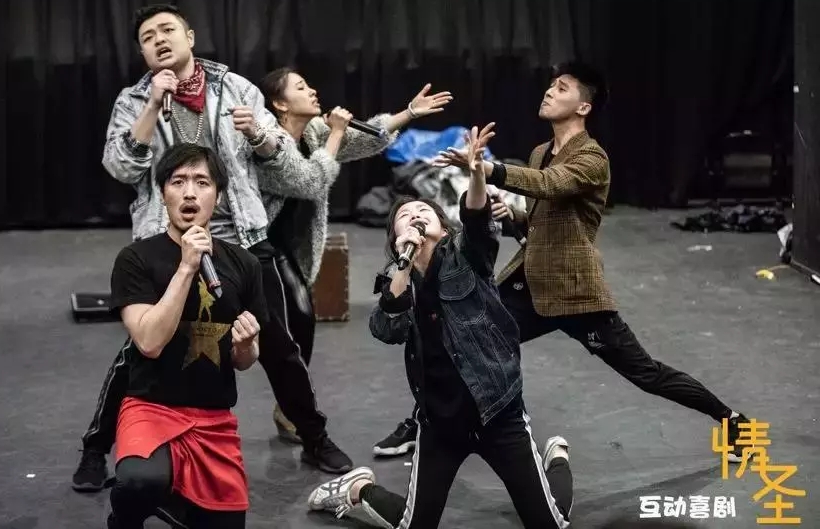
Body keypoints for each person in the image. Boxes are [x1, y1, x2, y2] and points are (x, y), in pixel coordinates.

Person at [73, 4, 352, 493]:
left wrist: (261, 136)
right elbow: (119, 167)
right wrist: (150, 109)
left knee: (279, 346)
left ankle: (315, 436)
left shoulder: (237, 88)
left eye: (167, 30)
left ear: (190, 37)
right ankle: (96, 450)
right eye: (147, 37)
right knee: (142, 351)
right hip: (168, 239)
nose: (159, 40)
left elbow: (286, 168)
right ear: (142, 52)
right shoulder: (133, 100)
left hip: (243, 238)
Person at [427, 61, 749, 463]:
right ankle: (427, 424)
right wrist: (515, 217)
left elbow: (551, 184)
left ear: (583, 107)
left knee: (646, 373)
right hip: (532, 287)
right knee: (466, 343)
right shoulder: (540, 152)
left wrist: (487, 169)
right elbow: (545, 219)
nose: (550, 91)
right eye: (550, 85)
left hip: (576, 295)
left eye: (562, 88)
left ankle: (733, 421)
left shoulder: (593, 158)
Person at [306, 124, 574, 528]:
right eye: (404, 216)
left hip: (498, 412)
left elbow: (478, 220)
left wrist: (477, 173)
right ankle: (357, 489)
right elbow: (386, 328)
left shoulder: (468, 254)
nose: (414, 215)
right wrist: (403, 265)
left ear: (444, 228)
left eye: (423, 211)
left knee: (551, 524)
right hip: (441, 423)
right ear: (394, 238)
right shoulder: (397, 279)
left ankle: (556, 458)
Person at [256, 67, 452, 441]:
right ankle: (292, 406)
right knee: (289, 325)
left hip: (293, 247)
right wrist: (336, 133)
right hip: (258, 245)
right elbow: (310, 180)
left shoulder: (313, 133)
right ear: (280, 103)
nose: (312, 90)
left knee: (299, 323)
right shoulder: (267, 144)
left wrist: (409, 112)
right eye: (301, 87)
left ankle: (288, 405)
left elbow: (365, 140)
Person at [105, 144, 265, 528]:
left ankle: (178, 500)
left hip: (213, 417)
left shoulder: (244, 264)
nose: (190, 192)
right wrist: (186, 268)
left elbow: (245, 360)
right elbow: (149, 342)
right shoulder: (136, 259)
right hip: (152, 408)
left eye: (202, 182)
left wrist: (246, 345)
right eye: (178, 182)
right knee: (138, 483)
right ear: (163, 194)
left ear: (218, 196)